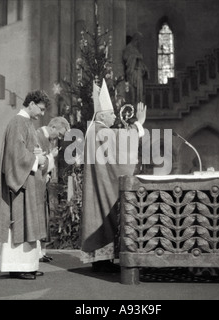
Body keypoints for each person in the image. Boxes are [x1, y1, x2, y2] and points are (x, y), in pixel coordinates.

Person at [0, 89, 58, 280]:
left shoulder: (26, 123)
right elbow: (15, 154)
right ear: (31, 104)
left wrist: (39, 157)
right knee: (19, 223)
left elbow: (29, 150)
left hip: (29, 181)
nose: (42, 114)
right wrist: (37, 159)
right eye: (41, 109)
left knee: (29, 224)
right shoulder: (17, 122)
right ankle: (16, 266)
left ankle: (27, 265)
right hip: (20, 185)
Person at [80, 79, 146, 272]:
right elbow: (120, 141)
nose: (114, 118)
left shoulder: (97, 130)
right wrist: (138, 125)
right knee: (102, 215)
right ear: (102, 115)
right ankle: (101, 261)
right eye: (112, 114)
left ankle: (102, 260)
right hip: (101, 185)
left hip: (100, 182)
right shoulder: (99, 130)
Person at [36, 116, 71, 262]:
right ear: (54, 127)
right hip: (36, 184)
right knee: (38, 218)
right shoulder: (37, 136)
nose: (60, 137)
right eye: (61, 134)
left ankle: (41, 252)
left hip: (43, 184)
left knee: (44, 217)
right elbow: (38, 162)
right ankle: (36, 253)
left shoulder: (49, 139)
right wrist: (51, 156)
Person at [123, 32, 149, 105]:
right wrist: (135, 57)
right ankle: (133, 107)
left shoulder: (135, 49)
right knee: (133, 91)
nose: (139, 43)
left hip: (139, 72)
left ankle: (138, 107)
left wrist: (144, 68)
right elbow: (125, 57)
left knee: (139, 92)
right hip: (133, 72)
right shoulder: (129, 47)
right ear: (136, 39)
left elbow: (140, 60)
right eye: (139, 41)